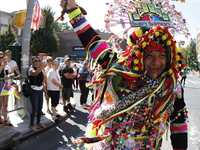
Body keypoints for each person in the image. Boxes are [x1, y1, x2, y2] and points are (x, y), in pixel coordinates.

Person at [60, 1, 188, 150]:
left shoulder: (172, 87)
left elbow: (178, 123)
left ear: (169, 57)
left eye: (161, 56)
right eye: (149, 56)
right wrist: (74, 11)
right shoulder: (120, 69)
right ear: (140, 55)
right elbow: (93, 44)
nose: (156, 62)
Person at [28, 56, 47, 132]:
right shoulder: (31, 69)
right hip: (34, 91)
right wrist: (41, 68)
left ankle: (38, 122)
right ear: (33, 62)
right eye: (36, 61)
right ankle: (31, 124)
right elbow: (34, 73)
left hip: (40, 90)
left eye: (39, 61)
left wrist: (44, 87)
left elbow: (44, 79)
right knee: (34, 109)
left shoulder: (41, 69)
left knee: (40, 108)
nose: (37, 62)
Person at [0, 51, 13, 126]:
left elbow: (12, 73)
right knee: (0, 104)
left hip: (5, 84)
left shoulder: (6, 66)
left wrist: (10, 76)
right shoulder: (2, 66)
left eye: (2, 57)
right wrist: (1, 67)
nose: (2, 59)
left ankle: (5, 119)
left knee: (6, 103)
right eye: (0, 57)